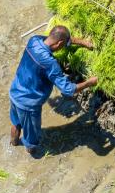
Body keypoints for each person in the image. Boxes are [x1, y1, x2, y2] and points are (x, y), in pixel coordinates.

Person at [9, 25, 97, 156]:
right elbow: (69, 90)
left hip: (15, 92)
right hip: (28, 105)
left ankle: (13, 143)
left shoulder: (34, 40)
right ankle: (31, 155)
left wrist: (83, 42)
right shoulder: (50, 63)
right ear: (60, 43)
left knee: (16, 124)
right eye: (63, 44)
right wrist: (90, 82)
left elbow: (58, 39)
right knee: (32, 141)